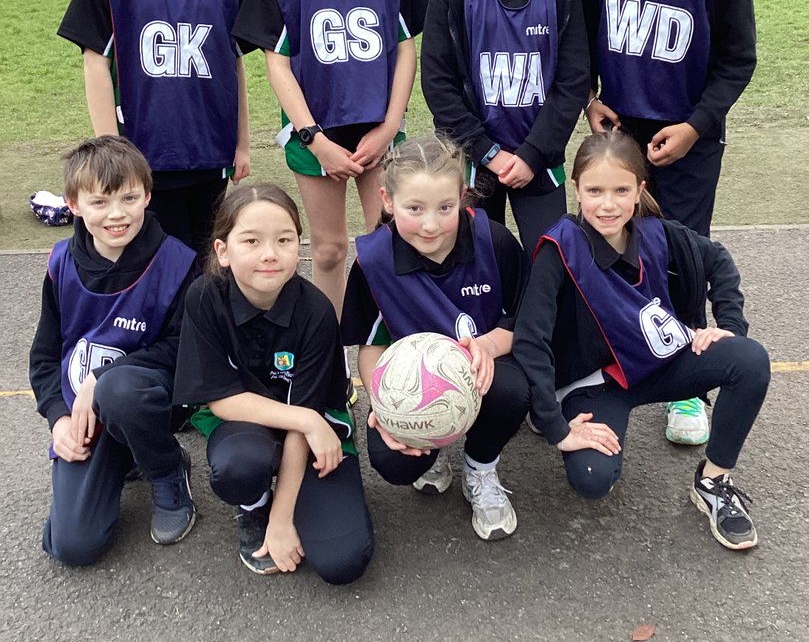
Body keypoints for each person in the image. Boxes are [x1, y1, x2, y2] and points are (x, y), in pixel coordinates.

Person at [579, 0, 756, 447]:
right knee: (606, 247)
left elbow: (739, 57)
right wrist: (589, 100)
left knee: (679, 254)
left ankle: (689, 387)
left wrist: (697, 124)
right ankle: (601, 365)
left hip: (686, 136)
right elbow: (585, 34)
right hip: (619, 131)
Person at [513, 130, 770, 550]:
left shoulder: (657, 234)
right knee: (593, 479)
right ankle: (576, 423)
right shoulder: (558, 249)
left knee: (749, 360)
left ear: (639, 191)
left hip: (661, 366)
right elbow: (530, 340)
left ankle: (713, 481)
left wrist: (729, 324)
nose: (608, 203)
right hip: (596, 384)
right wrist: (555, 424)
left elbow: (718, 259)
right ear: (576, 190)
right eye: (595, 190)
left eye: (621, 190)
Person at [235, 0, 428, 313]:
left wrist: (389, 127)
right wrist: (314, 138)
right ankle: (331, 369)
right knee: (329, 250)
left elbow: (406, 45)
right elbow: (275, 63)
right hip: (314, 128)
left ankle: (396, 363)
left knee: (387, 247)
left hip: (378, 126)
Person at [58, 0, 250, 257]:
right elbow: (96, 62)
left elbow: (233, 65)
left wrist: (241, 144)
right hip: (142, 161)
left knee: (204, 272)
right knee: (148, 273)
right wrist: (111, 152)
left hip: (208, 154)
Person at [174, 184, 373, 584]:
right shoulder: (205, 297)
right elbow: (221, 400)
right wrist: (305, 419)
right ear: (223, 251)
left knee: (343, 561)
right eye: (251, 240)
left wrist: (284, 520)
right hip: (246, 424)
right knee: (238, 466)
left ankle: (285, 503)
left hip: (310, 432)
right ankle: (254, 502)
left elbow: (309, 418)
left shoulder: (316, 311)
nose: (270, 253)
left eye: (284, 240)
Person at [340, 136, 530, 540]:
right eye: (414, 208)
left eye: (445, 208)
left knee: (513, 388)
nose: (430, 224)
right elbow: (371, 344)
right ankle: (435, 445)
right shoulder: (374, 261)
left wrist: (487, 347)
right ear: (387, 201)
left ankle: (480, 468)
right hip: (416, 385)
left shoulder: (493, 242)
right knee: (393, 463)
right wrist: (385, 405)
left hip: (483, 373)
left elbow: (525, 323)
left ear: (463, 197)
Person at [29, 136, 198, 565]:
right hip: (84, 419)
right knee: (73, 546)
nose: (117, 213)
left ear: (147, 194)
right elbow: (44, 357)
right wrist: (58, 419)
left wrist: (101, 379)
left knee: (120, 391)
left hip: (146, 401)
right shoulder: (61, 262)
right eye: (100, 202)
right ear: (73, 203)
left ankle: (165, 469)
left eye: (129, 197)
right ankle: (120, 459)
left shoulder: (177, 262)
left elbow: (183, 350)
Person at [422, 0, 589, 254]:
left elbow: (573, 81)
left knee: (550, 261)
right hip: (474, 159)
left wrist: (531, 154)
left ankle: (535, 320)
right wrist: (488, 153)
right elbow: (438, 85)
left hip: (539, 159)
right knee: (477, 261)